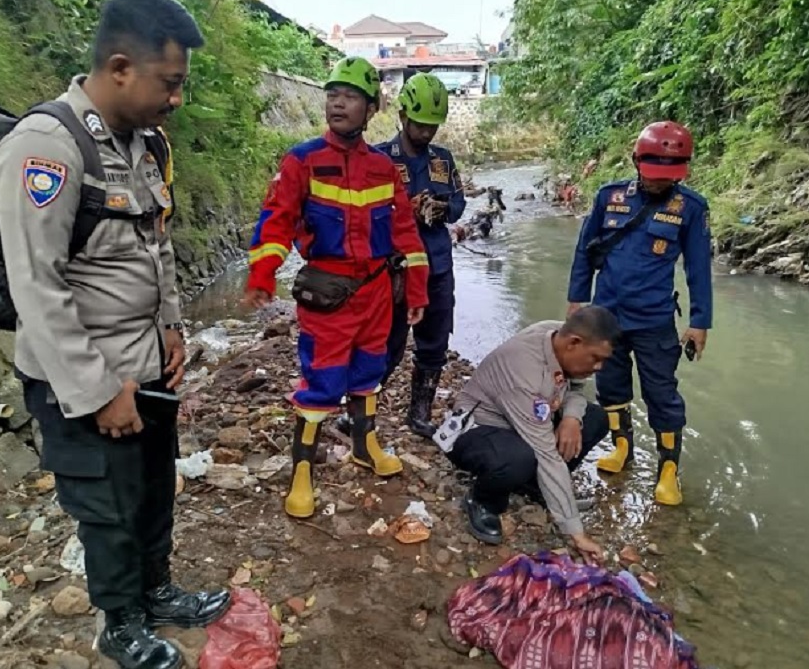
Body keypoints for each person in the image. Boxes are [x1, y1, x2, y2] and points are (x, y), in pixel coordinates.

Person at [0, 0, 230, 667]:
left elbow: (155, 246)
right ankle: (119, 621)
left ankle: (156, 591)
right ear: (121, 67)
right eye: (171, 83)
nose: (177, 99)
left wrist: (174, 330)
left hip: (147, 364)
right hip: (84, 378)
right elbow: (36, 286)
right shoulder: (46, 148)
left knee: (153, 487)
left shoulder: (143, 144)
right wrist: (98, 390)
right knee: (108, 507)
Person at [243, 56, 430, 520]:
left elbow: (407, 234)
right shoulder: (303, 160)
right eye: (332, 95)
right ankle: (302, 474)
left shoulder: (384, 169)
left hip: (377, 295)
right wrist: (262, 275)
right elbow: (276, 222)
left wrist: (418, 292)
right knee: (321, 384)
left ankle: (365, 447)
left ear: (371, 109)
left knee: (369, 374)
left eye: (349, 97)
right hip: (329, 297)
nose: (337, 104)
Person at [567, 121, 713, 507]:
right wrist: (576, 300)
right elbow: (585, 251)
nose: (659, 183)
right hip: (606, 317)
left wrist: (699, 322)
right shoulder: (609, 197)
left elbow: (698, 268)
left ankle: (668, 469)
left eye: (669, 176)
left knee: (661, 394)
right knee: (611, 386)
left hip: (654, 320)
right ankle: (621, 448)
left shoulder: (691, 209)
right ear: (636, 161)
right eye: (653, 174)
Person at [337, 73, 465, 439]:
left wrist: (441, 209)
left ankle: (419, 413)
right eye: (420, 125)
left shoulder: (443, 160)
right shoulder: (378, 158)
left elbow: (458, 203)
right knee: (385, 344)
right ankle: (359, 411)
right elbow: (361, 214)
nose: (426, 134)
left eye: (432, 127)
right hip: (394, 269)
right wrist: (402, 209)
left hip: (437, 265)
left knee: (435, 342)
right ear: (403, 117)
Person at [442, 307, 617, 561]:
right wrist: (576, 532)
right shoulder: (523, 371)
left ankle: (536, 488)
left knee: (595, 419)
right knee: (520, 457)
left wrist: (571, 418)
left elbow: (575, 387)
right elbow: (546, 454)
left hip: (521, 420)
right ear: (574, 343)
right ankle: (482, 501)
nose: (600, 367)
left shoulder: (557, 333)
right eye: (595, 358)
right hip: (475, 429)